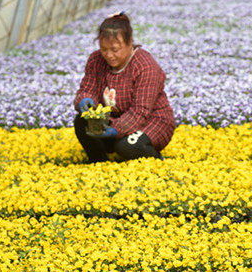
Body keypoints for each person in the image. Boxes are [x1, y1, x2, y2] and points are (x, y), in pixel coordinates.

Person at [73, 11, 175, 162]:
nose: (109, 55)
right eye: (104, 49)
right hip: (114, 119)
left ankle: (156, 160)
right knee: (82, 121)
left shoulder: (145, 66)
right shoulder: (96, 60)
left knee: (127, 146)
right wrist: (85, 99)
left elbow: (141, 111)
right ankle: (99, 163)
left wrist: (116, 130)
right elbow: (88, 88)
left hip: (151, 121)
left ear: (130, 43)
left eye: (115, 49)